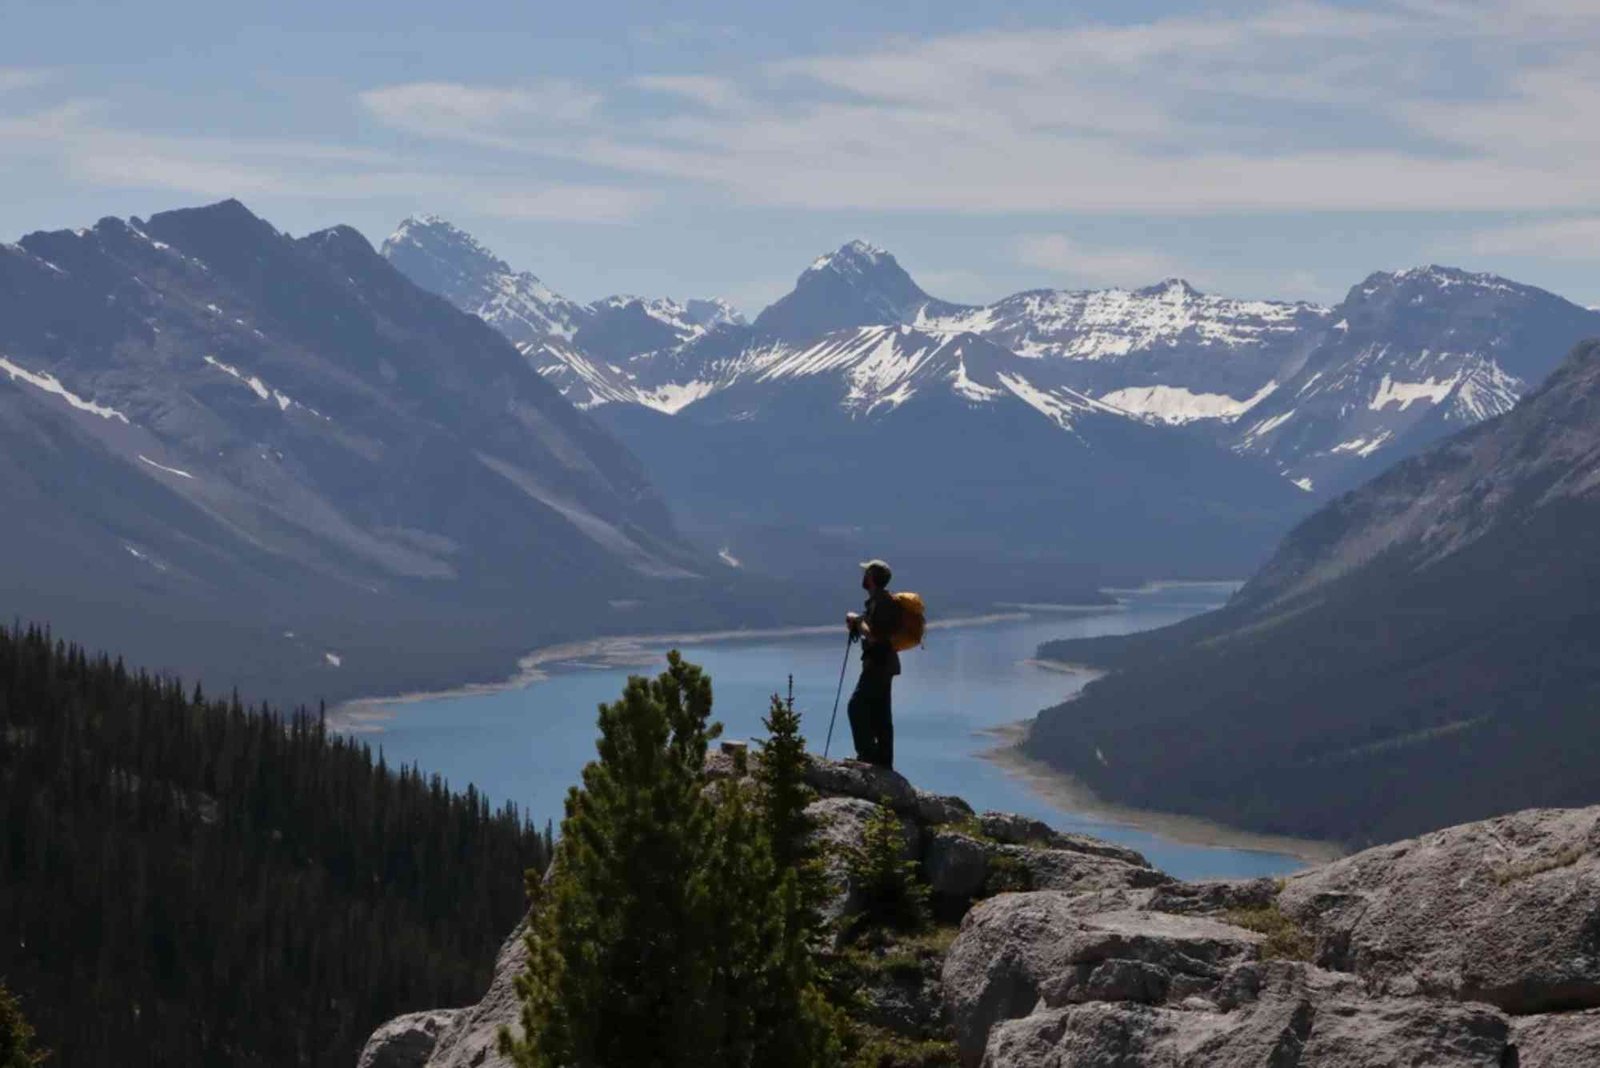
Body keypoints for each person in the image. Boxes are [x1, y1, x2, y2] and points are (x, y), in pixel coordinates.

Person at [845, 559, 901, 768]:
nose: (863, 577)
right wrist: (859, 621)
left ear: (871, 578)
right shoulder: (879, 601)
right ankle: (883, 761)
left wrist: (858, 621)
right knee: (880, 713)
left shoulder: (882, 602)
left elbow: (874, 636)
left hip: (878, 663)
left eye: (866, 573)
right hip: (882, 663)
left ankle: (868, 756)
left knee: (857, 707)